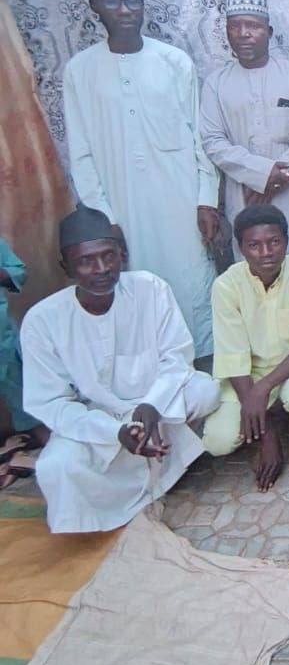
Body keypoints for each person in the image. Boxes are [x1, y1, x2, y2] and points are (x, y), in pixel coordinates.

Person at [20, 207, 220, 533]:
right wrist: (114, 432)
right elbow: (52, 403)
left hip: (154, 405)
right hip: (96, 418)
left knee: (205, 391)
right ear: (66, 267)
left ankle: (164, 464)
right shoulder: (43, 322)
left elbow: (176, 356)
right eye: (86, 261)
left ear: (121, 256)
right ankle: (124, 491)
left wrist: (152, 403)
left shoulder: (150, 289)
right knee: (57, 466)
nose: (101, 269)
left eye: (108, 256)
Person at [62, 0, 219, 355]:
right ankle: (148, 369)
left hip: (180, 200)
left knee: (192, 282)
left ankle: (203, 367)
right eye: (113, 2)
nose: (125, 11)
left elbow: (200, 138)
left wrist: (206, 200)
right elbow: (80, 152)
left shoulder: (174, 61)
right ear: (95, 7)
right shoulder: (80, 71)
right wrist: (103, 218)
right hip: (121, 207)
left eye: (132, 1)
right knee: (135, 288)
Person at [200, 0, 289, 263]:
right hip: (246, 193)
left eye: (253, 26)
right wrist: (260, 174)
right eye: (235, 26)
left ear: (269, 32)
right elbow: (213, 141)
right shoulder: (215, 84)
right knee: (257, 270)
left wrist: (278, 178)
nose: (244, 34)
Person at [204, 206, 289, 492]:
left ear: (286, 240)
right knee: (217, 442)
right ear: (241, 248)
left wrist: (264, 388)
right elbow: (232, 357)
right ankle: (266, 415)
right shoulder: (226, 286)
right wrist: (267, 435)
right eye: (254, 245)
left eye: (274, 242)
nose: (266, 252)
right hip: (247, 375)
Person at [0, 237, 48, 486]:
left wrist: (3, 275)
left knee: (18, 387)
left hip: (2, 336)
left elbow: (19, 271)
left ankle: (41, 442)